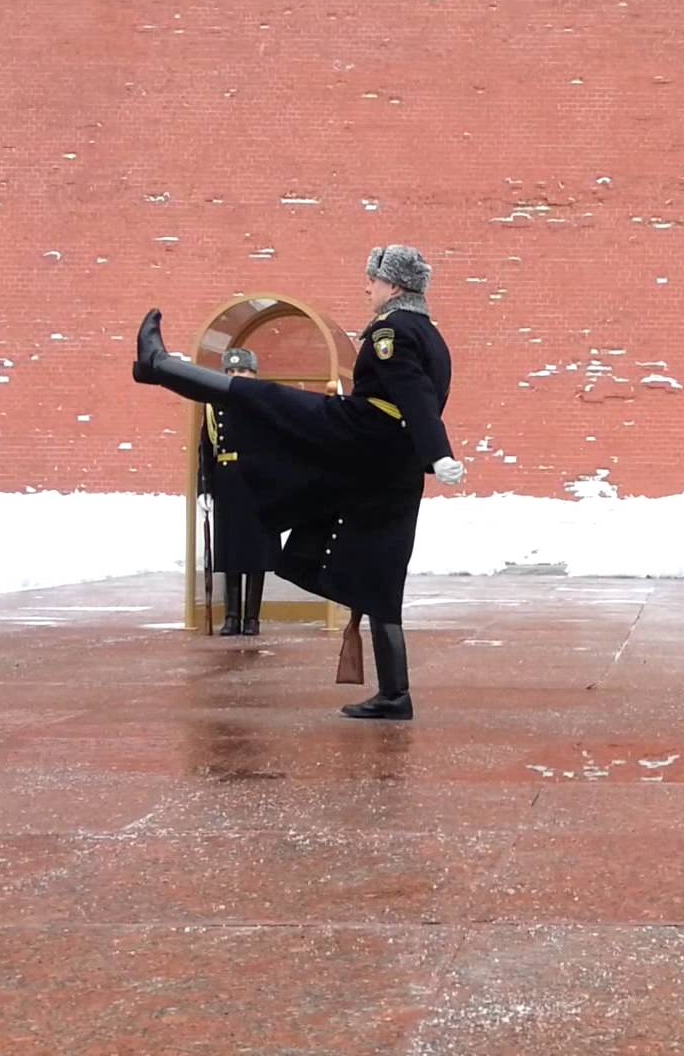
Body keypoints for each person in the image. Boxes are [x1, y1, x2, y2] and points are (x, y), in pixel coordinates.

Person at [131, 244, 466, 720]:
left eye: (372, 279)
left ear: (393, 285)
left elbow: (414, 394)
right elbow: (425, 398)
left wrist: (440, 451)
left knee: (264, 399)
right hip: (391, 466)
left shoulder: (394, 329)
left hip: (364, 436)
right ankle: (395, 694)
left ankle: (160, 367)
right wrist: (428, 454)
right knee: (383, 579)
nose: (366, 286)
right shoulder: (431, 333)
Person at [199, 347, 284, 636]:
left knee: (256, 551)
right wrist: (205, 488)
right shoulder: (214, 405)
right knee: (231, 550)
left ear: (253, 373)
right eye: (231, 371)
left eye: (242, 371)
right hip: (227, 481)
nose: (236, 376)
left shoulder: (266, 403)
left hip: (258, 482)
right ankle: (232, 615)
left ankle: (252, 618)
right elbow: (205, 451)